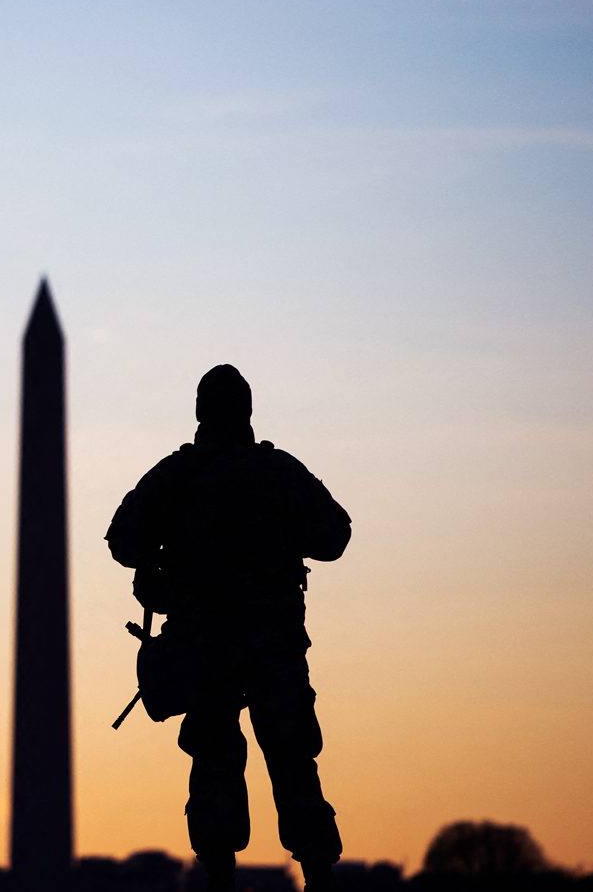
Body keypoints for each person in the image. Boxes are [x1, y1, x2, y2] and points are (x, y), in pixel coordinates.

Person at [105, 364, 351, 892]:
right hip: (271, 642)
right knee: (292, 757)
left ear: (200, 412)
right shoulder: (278, 472)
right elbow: (334, 536)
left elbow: (122, 539)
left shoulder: (177, 475)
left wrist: (162, 565)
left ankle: (219, 874)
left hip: (206, 644)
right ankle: (317, 871)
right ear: (247, 411)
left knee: (215, 761)